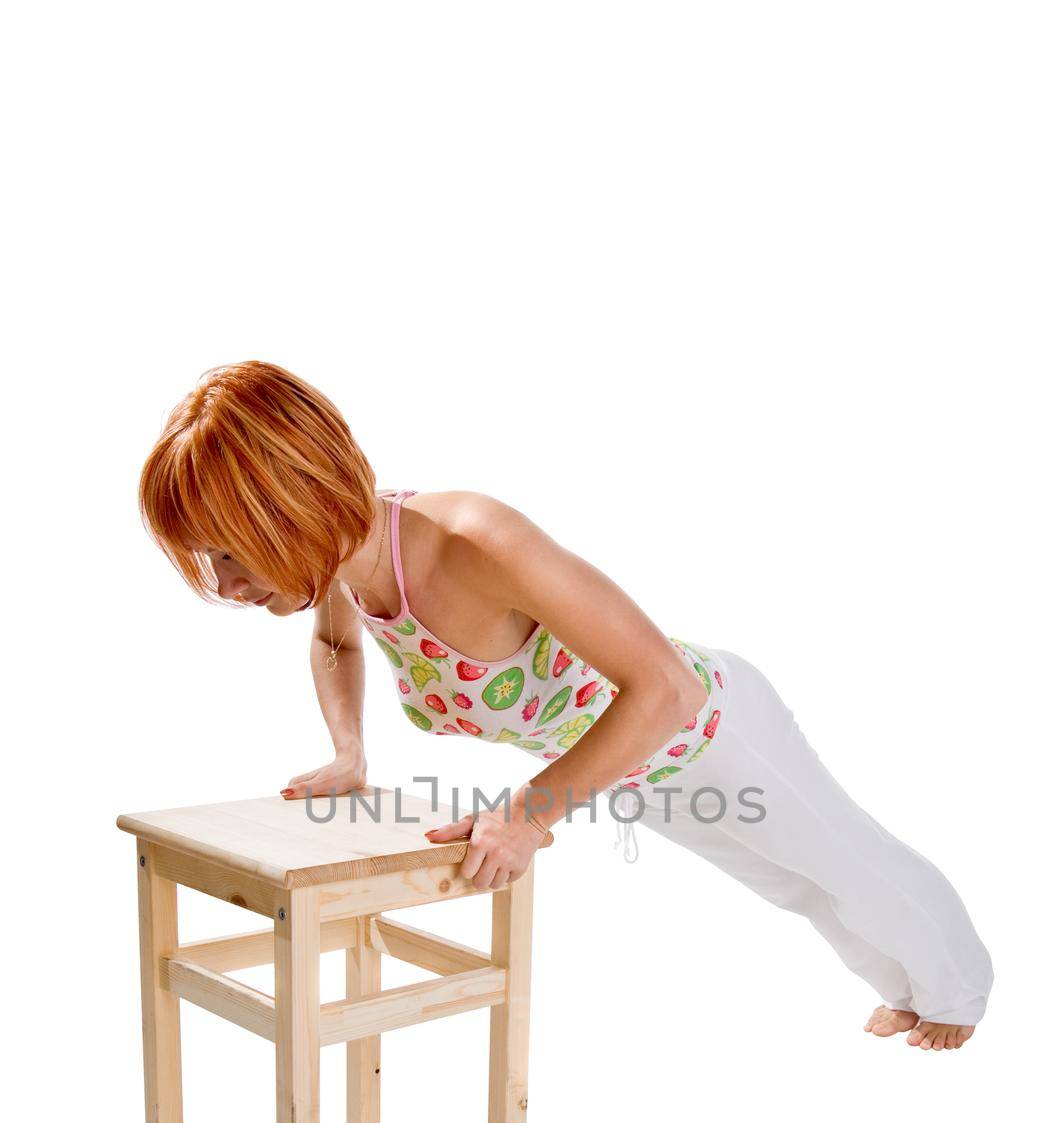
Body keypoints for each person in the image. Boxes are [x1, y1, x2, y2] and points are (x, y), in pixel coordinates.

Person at [138, 360, 993, 1050]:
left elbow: (665, 686)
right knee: (788, 885)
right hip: (623, 763)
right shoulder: (339, 569)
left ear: (296, 511)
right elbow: (334, 643)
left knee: (844, 861)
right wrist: (349, 751)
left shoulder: (473, 540)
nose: (224, 587)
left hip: (711, 731)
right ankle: (906, 991)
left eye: (230, 555)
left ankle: (959, 990)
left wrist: (526, 817)